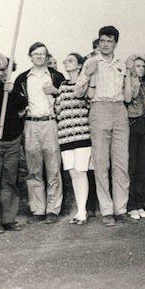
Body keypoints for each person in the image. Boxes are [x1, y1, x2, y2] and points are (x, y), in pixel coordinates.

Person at [75, 26, 134, 227]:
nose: (105, 44)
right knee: (101, 162)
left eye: (109, 41)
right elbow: (78, 92)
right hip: (99, 108)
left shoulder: (122, 64)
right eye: (102, 41)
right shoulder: (91, 62)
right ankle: (106, 210)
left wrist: (130, 76)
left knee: (121, 162)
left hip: (119, 109)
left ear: (116, 43)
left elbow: (129, 96)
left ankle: (121, 208)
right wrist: (86, 76)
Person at [14, 42, 65, 224]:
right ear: (30, 56)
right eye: (35, 54)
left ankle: (53, 209)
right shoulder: (22, 78)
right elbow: (16, 104)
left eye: (42, 54)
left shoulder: (56, 76)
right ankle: (38, 210)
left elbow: (66, 97)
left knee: (53, 168)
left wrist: (56, 91)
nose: (39, 57)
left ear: (47, 56)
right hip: (30, 124)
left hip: (50, 123)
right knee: (33, 169)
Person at [0, 53, 27, 234]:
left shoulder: (10, 87)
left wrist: (12, 92)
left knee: (9, 181)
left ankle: (8, 219)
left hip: (12, 140)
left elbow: (22, 105)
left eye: (2, 70)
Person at [55, 53, 92, 225]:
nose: (66, 63)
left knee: (81, 171)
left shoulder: (85, 84)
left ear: (79, 66)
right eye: (65, 60)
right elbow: (58, 110)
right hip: (65, 136)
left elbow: (90, 106)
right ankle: (80, 210)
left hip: (82, 135)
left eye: (70, 60)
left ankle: (82, 212)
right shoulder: (62, 86)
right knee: (73, 173)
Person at [125, 54, 145, 220]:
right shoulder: (129, 83)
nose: (141, 69)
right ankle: (130, 205)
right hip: (132, 124)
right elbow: (132, 96)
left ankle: (139, 204)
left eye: (143, 66)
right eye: (137, 66)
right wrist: (131, 75)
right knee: (131, 167)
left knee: (143, 167)